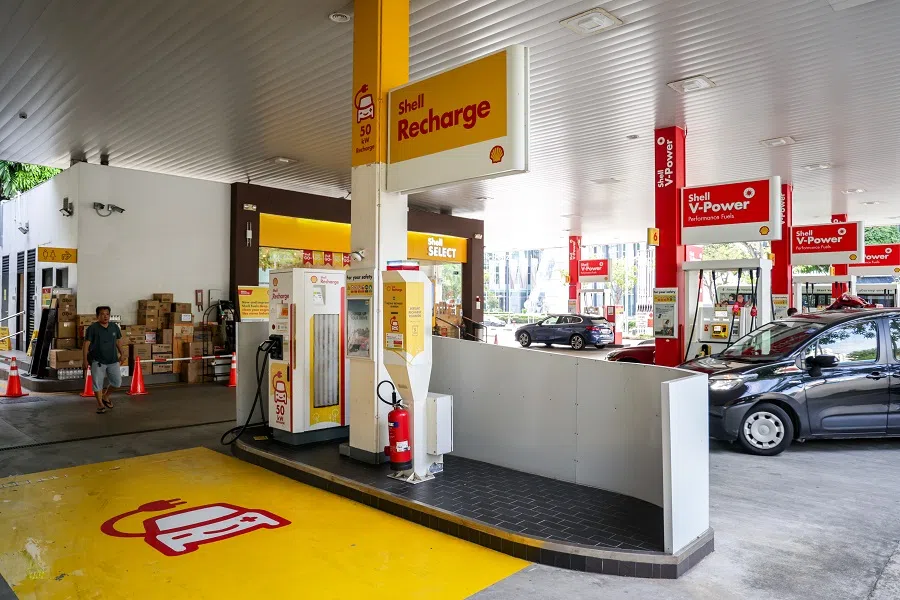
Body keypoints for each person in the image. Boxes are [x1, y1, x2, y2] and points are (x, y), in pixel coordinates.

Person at [83, 306, 125, 414]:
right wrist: (84, 360)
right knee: (97, 384)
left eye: (107, 314)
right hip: (98, 361)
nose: (105, 316)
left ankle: (106, 396)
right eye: (102, 314)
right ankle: (100, 405)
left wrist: (123, 353)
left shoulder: (114, 327)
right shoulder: (92, 328)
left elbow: (118, 341)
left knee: (117, 383)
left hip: (113, 360)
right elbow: (86, 344)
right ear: (97, 316)